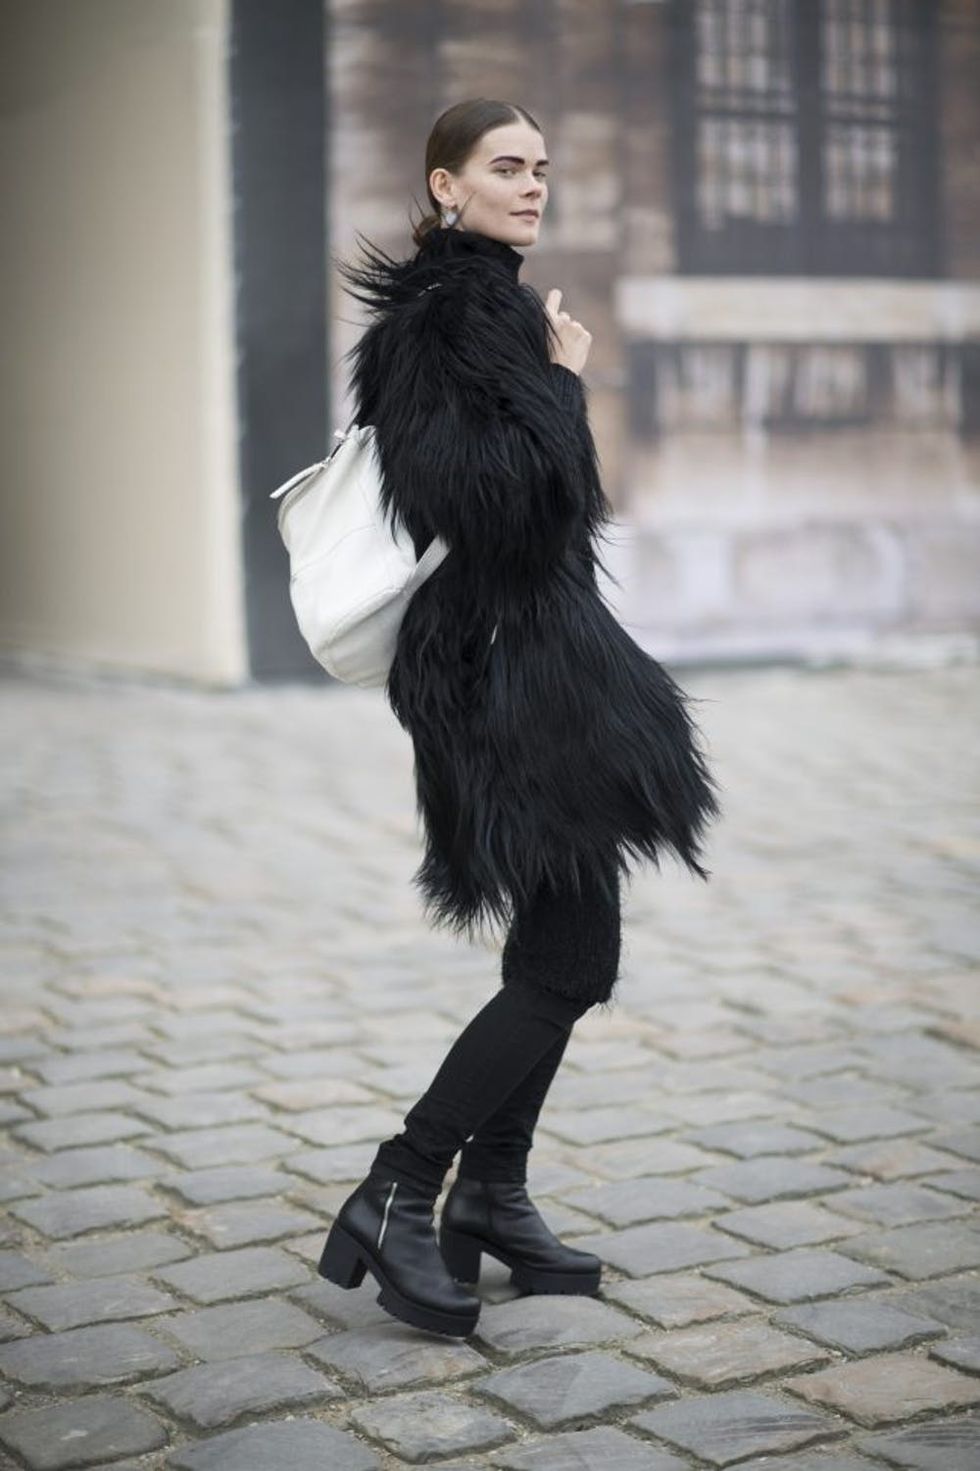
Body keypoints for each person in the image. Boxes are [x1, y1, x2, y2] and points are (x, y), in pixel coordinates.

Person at [317, 98, 721, 1338]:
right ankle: (400, 1184)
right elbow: (511, 504)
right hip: (504, 679)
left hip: (526, 670)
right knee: (569, 958)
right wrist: (561, 384)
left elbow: (539, 504)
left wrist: (546, 379)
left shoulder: (484, 309)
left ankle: (489, 1195)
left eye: (542, 166)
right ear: (444, 187)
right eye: (506, 167)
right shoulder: (447, 318)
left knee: (559, 941)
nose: (533, 185)